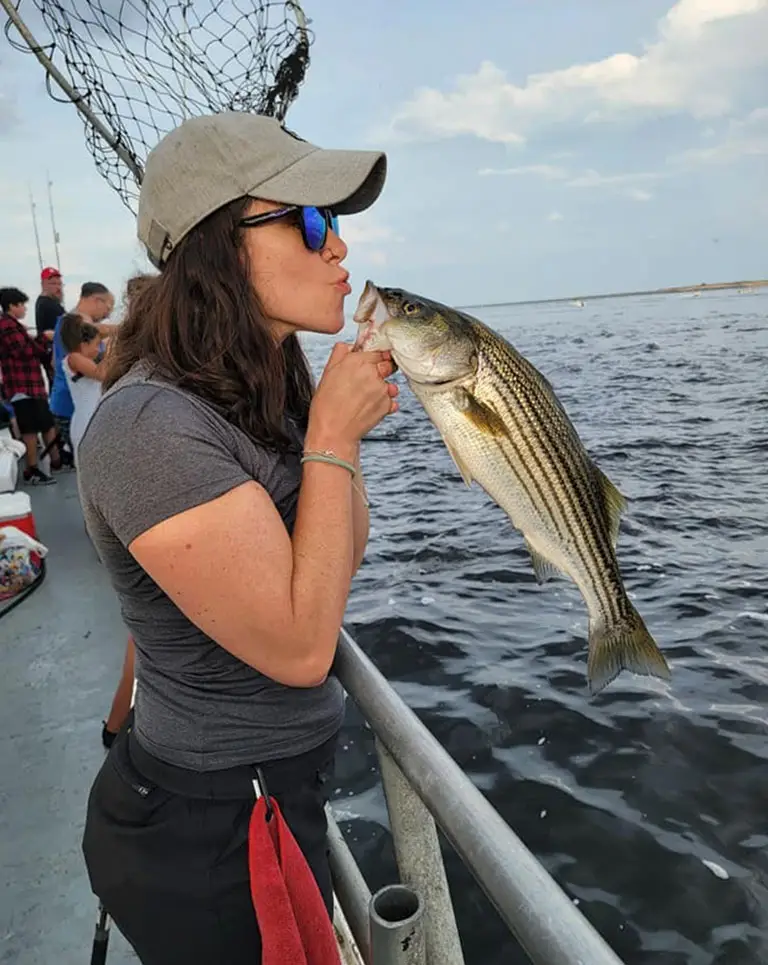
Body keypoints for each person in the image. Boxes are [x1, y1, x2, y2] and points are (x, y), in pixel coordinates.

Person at [77, 111, 394, 965]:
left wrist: (333, 430)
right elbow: (299, 645)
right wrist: (331, 431)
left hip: (275, 797)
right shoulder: (148, 426)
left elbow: (337, 558)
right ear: (223, 243)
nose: (338, 248)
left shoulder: (258, 387)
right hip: (212, 828)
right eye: (313, 218)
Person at [0, 286, 61, 484]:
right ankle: (32, 470)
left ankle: (57, 460)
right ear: (12, 306)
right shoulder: (7, 326)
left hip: (32, 386)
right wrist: (44, 338)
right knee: (30, 429)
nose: (25, 309)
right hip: (22, 387)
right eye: (21, 305)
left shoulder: (12, 325)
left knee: (46, 423)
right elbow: (24, 351)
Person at [49, 282, 115, 461]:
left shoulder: (65, 324)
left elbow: (53, 363)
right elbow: (102, 373)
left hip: (80, 412)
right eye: (108, 307)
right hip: (77, 413)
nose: (107, 314)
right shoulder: (76, 351)